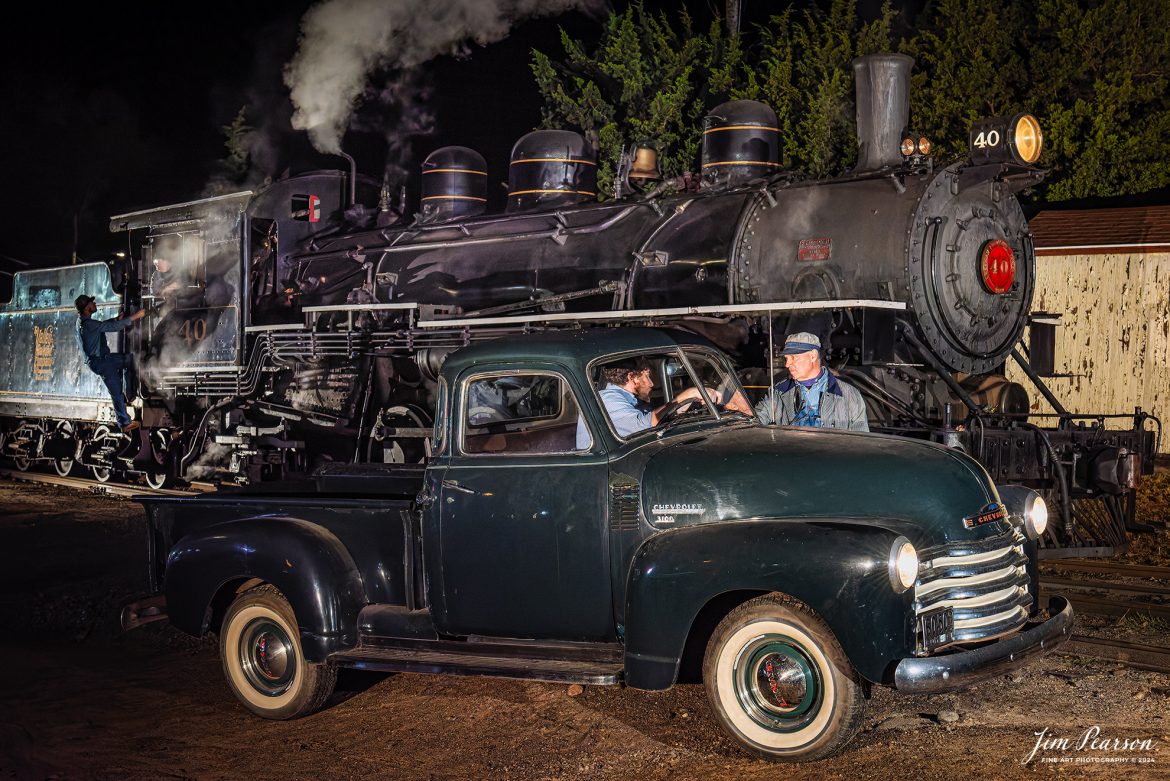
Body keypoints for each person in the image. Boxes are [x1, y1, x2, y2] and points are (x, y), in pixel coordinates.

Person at [575, 359, 709, 448]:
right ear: (632, 377)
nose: (651, 384)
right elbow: (647, 424)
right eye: (647, 376)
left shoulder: (625, 399)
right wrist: (689, 395)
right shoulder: (608, 399)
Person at [754, 331, 869, 431]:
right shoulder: (777, 393)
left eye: (794, 358)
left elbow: (861, 444)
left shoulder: (849, 395)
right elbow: (755, 422)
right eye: (787, 359)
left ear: (813, 356)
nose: (787, 364)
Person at [75, 295, 145, 433]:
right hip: (102, 361)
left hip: (101, 360)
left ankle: (129, 393)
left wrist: (115, 319)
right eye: (91, 303)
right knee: (116, 391)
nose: (94, 303)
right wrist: (136, 316)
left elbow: (101, 326)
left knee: (129, 361)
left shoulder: (82, 322)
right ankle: (124, 421)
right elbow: (112, 327)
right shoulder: (88, 324)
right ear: (87, 308)